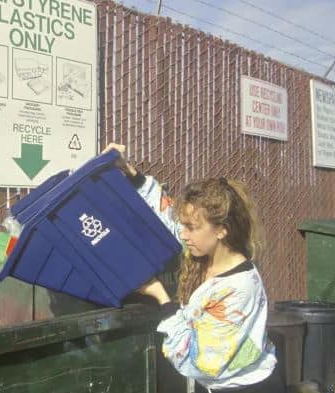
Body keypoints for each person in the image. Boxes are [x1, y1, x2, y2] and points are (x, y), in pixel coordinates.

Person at [103, 143, 284, 393]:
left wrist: (161, 297)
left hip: (242, 387)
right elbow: (168, 218)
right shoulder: (206, 249)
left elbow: (197, 362)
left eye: (192, 227)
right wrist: (131, 173)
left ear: (222, 230)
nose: (183, 235)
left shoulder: (238, 290)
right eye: (184, 225)